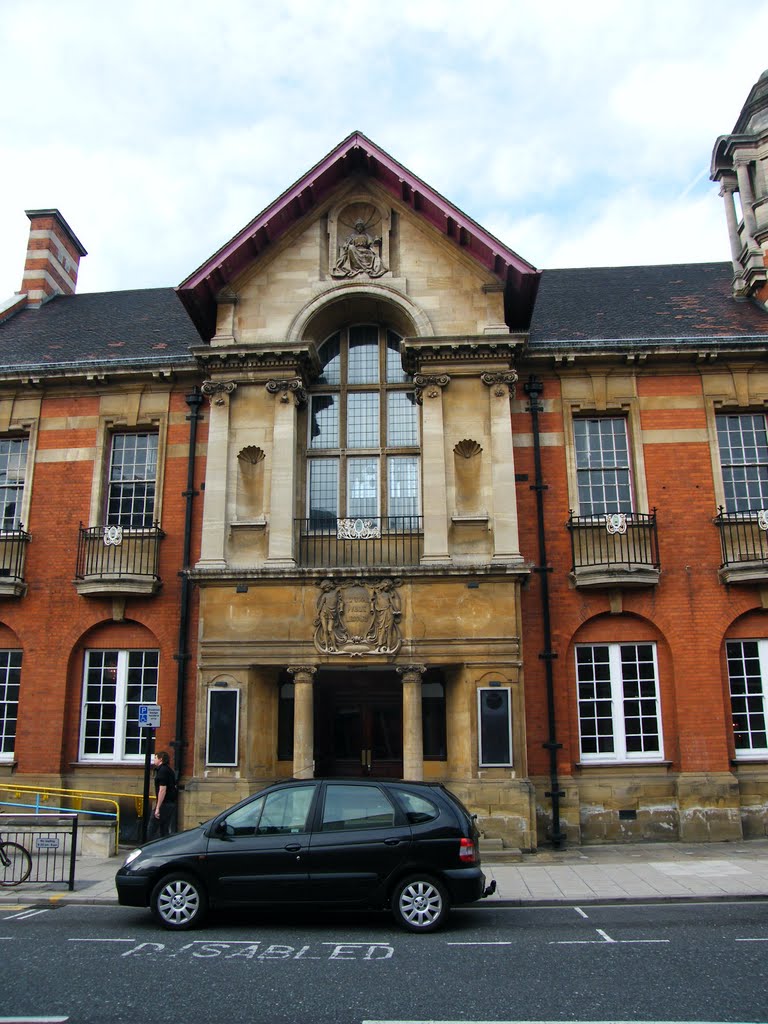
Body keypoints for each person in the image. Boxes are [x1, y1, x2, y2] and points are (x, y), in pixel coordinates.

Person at [148, 750, 177, 839]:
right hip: (170, 803)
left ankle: (149, 849)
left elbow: (162, 790)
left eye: (155, 758)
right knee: (164, 830)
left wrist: (158, 807)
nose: (154, 760)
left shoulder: (162, 771)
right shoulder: (169, 770)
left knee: (151, 829)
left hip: (164, 804)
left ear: (160, 759)